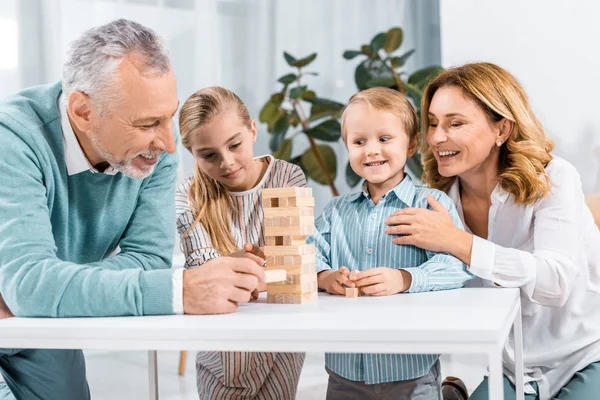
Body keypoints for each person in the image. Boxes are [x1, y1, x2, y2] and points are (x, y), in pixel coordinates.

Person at [0, 20, 264, 400]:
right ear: (82, 112)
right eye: (147, 124)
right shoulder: (13, 137)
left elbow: (147, 259)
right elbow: (31, 284)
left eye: (168, 117)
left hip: (42, 317)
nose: (169, 143)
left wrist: (49, 287)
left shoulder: (157, 147)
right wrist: (178, 292)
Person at [385, 62, 600, 400]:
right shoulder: (437, 201)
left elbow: (555, 280)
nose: (438, 137)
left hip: (584, 354)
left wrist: (459, 242)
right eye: (433, 124)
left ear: (502, 130)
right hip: (511, 367)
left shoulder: (555, 178)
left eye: (455, 123)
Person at [308, 87, 473, 400]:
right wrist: (326, 278)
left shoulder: (431, 204)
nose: (371, 150)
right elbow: (308, 253)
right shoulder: (336, 211)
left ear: (411, 144)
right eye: (359, 141)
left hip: (410, 371)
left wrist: (405, 278)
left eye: (384, 139)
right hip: (345, 371)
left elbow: (458, 265)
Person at [176, 86, 306, 399]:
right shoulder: (187, 196)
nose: (227, 162)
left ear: (251, 130)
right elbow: (206, 283)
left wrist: (231, 269)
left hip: (280, 346)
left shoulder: (288, 177)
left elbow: (290, 273)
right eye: (208, 155)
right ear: (191, 153)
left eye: (235, 145)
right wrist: (258, 271)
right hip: (219, 349)